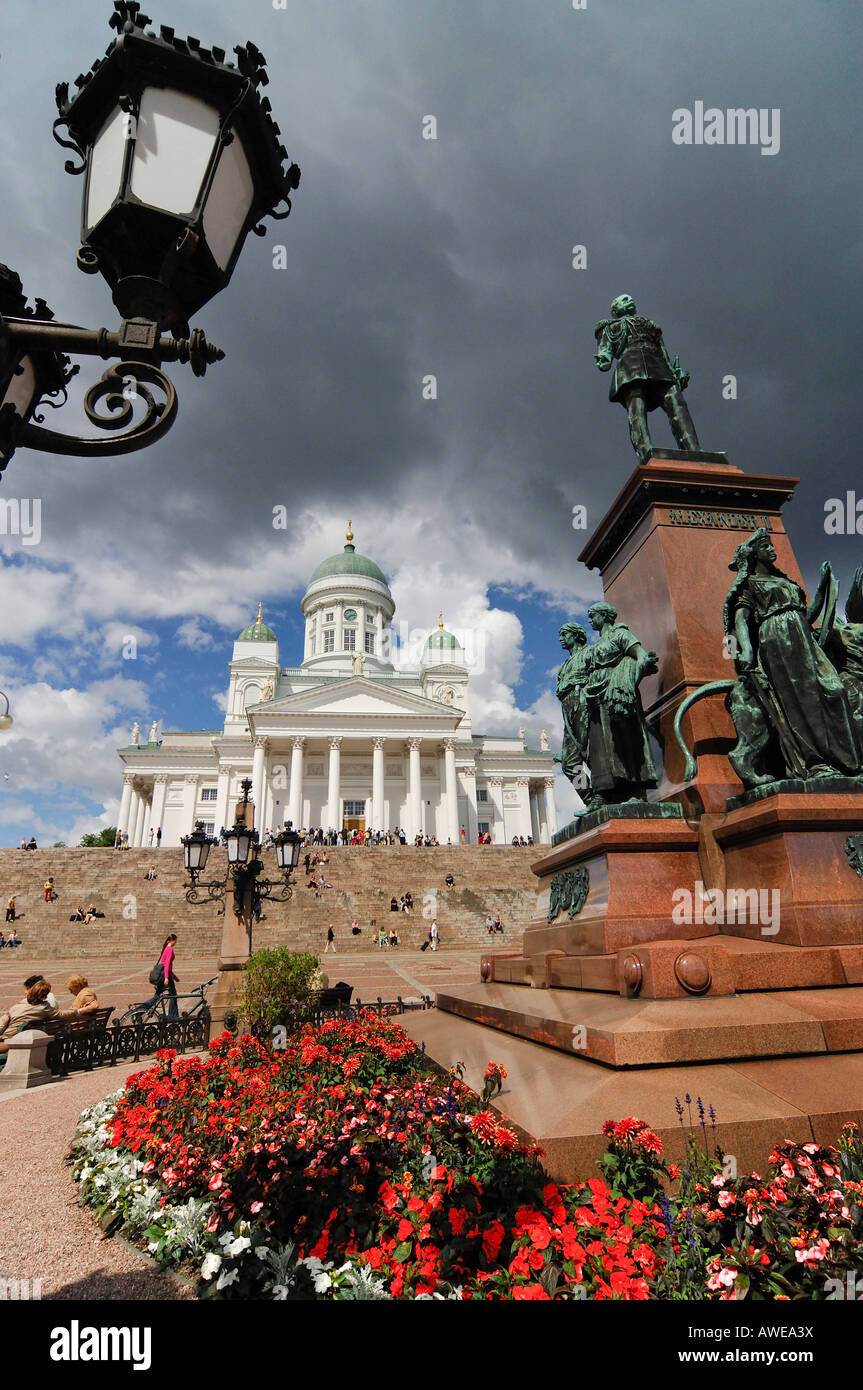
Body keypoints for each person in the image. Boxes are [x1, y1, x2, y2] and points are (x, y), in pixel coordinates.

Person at [0, 980, 78, 1052]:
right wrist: (79, 1011)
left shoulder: (18, 1006)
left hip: (9, 1041)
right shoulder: (44, 1008)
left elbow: (2, 1024)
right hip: (18, 1040)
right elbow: (60, 1014)